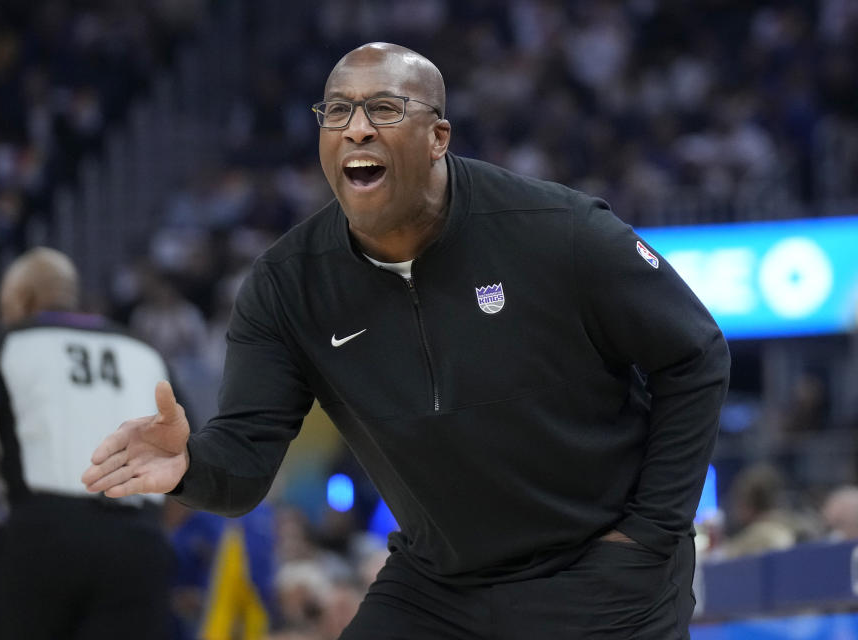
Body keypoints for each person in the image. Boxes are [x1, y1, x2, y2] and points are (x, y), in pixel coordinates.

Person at [83, 42, 731, 638]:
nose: (355, 127)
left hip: (594, 563)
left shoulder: (559, 231)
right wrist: (189, 468)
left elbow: (696, 354)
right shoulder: (287, 285)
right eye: (337, 111)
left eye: (383, 108)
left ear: (437, 137)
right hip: (440, 582)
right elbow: (246, 463)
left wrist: (649, 533)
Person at [0, 247, 172, 639]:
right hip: (138, 539)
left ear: (22, 300)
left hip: (40, 536)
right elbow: (195, 459)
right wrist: (148, 530)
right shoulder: (145, 352)